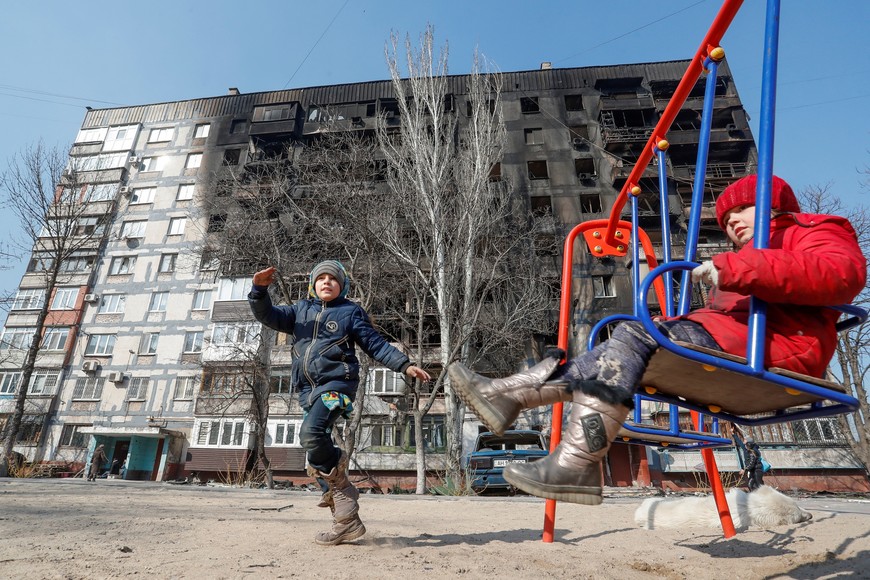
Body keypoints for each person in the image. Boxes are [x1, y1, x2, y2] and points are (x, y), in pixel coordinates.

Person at [449, 174, 866, 506]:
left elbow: (842, 274)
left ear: (774, 205)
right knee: (618, 347)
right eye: (726, 218)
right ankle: (514, 397)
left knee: (634, 331)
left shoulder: (809, 230)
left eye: (744, 208)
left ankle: (560, 446)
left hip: (781, 345)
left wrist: (741, 269)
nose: (733, 221)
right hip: (736, 340)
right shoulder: (743, 260)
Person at [249, 260, 432, 545]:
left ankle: (341, 485)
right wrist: (259, 291)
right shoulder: (299, 311)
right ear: (312, 284)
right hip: (307, 390)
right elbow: (268, 316)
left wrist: (404, 365)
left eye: (332, 279)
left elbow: (375, 344)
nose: (326, 282)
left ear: (342, 285)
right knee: (312, 447)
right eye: (320, 278)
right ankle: (345, 520)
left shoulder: (349, 312)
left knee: (311, 434)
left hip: (337, 384)